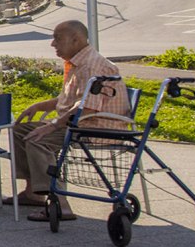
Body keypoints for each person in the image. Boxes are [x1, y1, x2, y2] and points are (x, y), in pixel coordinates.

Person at [8, 20, 129, 222]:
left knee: (38, 139)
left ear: (76, 39)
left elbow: (87, 107)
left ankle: (60, 204)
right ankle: (33, 192)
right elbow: (69, 100)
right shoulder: (78, 63)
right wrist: (39, 106)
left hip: (94, 126)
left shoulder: (90, 66)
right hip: (80, 121)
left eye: (57, 38)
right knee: (20, 130)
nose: (53, 44)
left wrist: (53, 125)